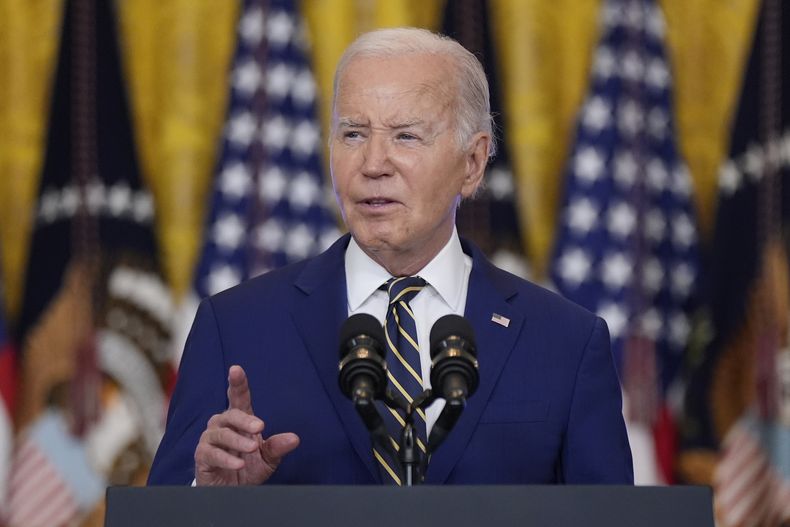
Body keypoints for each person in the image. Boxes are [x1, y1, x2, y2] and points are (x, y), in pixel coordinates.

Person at [148, 27, 633, 486]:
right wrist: (210, 502)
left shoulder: (566, 343)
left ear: (473, 162)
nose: (373, 164)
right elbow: (164, 512)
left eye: (405, 136)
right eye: (353, 134)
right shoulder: (234, 326)